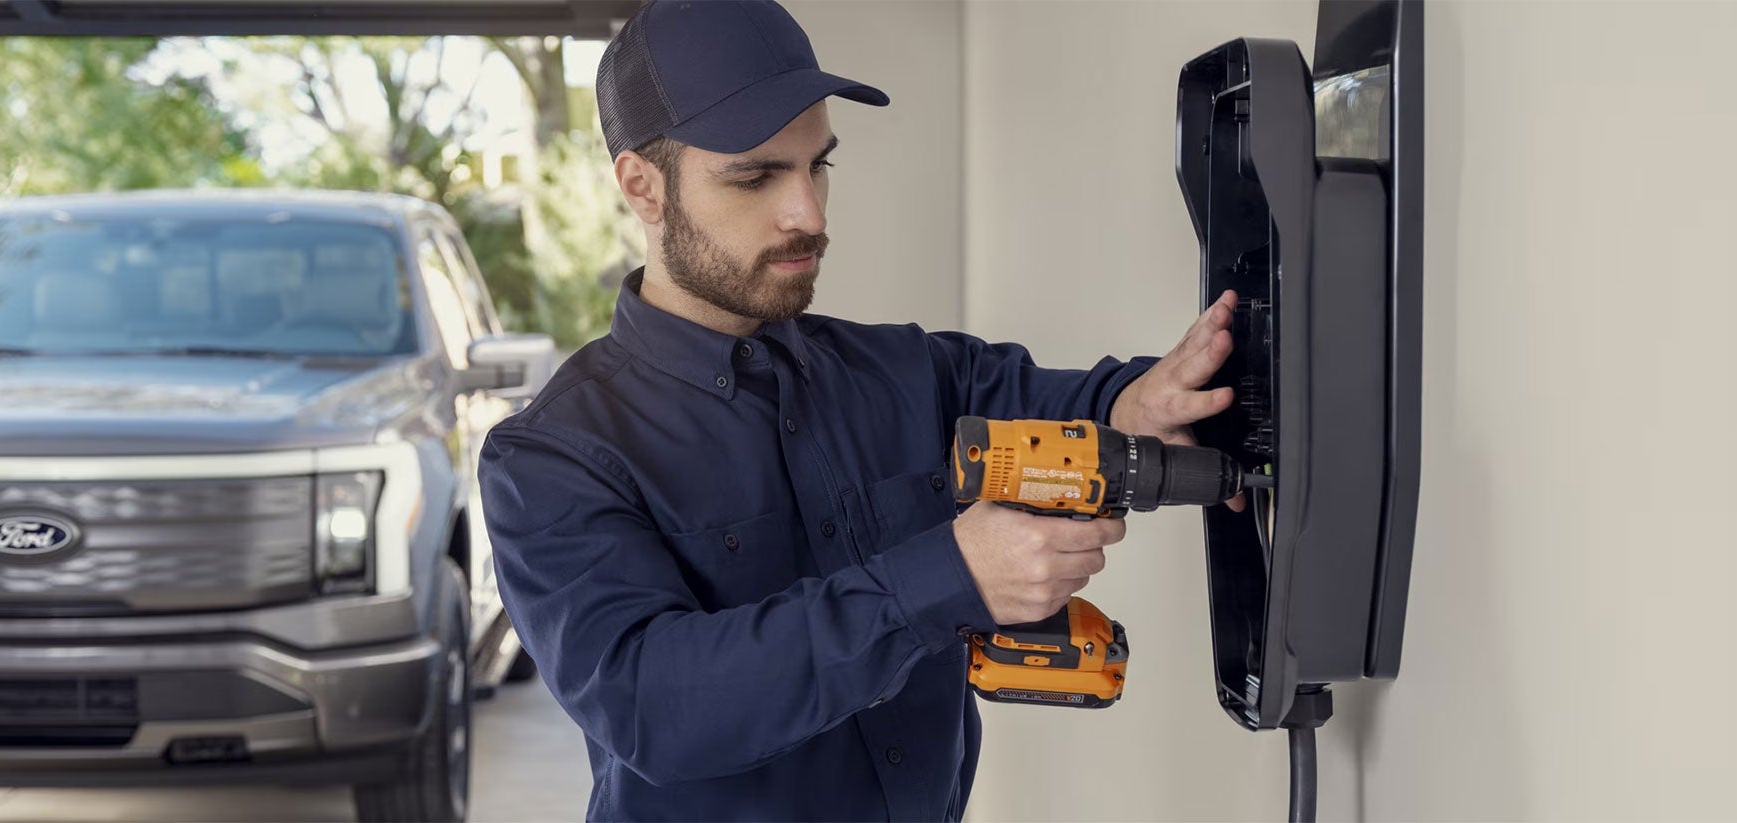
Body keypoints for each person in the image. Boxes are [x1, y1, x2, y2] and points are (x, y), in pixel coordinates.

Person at [478, 2, 1242, 820]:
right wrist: (949, 575)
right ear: (643, 185)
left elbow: (1079, 404)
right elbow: (654, 706)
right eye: (756, 175)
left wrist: (1140, 400)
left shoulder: (907, 371)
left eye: (819, 165)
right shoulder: (550, 457)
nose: (808, 212)